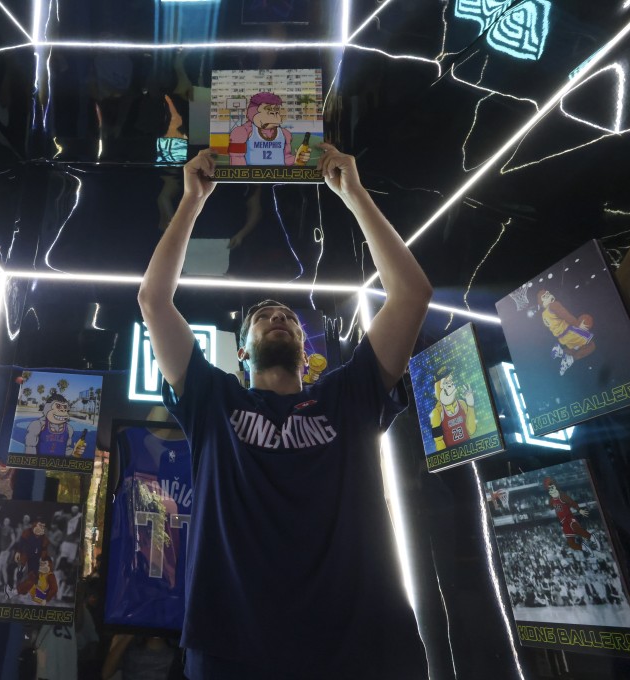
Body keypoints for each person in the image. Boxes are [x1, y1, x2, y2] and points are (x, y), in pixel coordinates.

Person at [137, 145, 432, 678]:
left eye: (288, 318)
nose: (277, 315)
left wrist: (354, 194)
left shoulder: (348, 396)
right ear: (242, 350)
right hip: (232, 645)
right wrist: (191, 202)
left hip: (356, 645)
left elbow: (411, 294)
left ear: (304, 344)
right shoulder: (213, 398)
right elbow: (155, 300)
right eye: (263, 316)